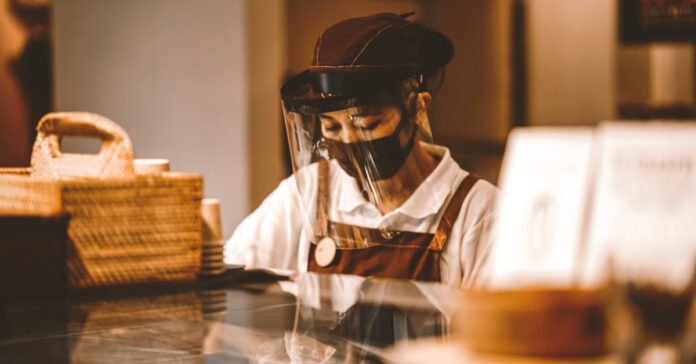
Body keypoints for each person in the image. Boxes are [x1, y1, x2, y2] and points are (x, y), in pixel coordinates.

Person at [224, 12, 498, 288]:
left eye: (366, 125)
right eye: (331, 128)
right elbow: (233, 276)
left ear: (418, 107)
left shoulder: (479, 211)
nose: (348, 140)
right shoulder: (308, 193)